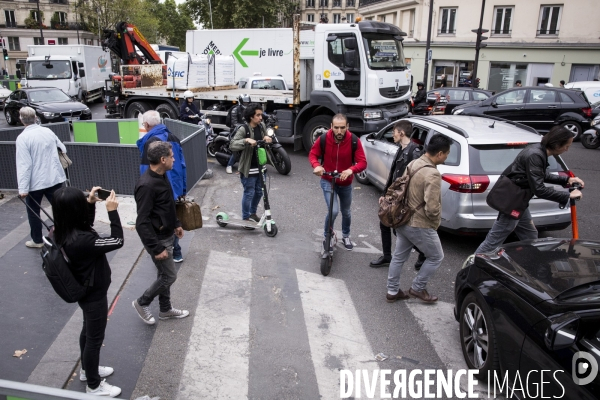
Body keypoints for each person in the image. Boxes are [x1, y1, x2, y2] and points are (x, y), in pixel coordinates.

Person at [52, 187, 123, 397]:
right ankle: (93, 385)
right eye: (82, 202)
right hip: (94, 294)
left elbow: (86, 225)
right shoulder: (82, 241)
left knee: (88, 332)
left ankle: (86, 370)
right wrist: (112, 211)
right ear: (75, 210)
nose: (86, 202)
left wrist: (91, 204)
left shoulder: (62, 230)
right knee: (94, 339)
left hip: (86, 290)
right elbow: (117, 241)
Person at [475, 127, 584, 254]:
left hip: (519, 199)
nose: (567, 149)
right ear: (556, 144)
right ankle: (472, 267)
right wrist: (567, 196)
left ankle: (532, 261)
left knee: (529, 235)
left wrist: (566, 180)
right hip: (512, 202)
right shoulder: (535, 155)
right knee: (494, 241)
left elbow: (539, 175)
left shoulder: (539, 151)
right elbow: (539, 189)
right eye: (566, 146)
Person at [386, 134, 452, 303]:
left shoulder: (414, 163)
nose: (446, 157)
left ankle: (392, 291)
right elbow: (432, 207)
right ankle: (418, 288)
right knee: (436, 256)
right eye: (446, 154)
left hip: (402, 218)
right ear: (439, 154)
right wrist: (435, 222)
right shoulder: (433, 174)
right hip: (419, 224)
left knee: (398, 257)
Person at [133, 141, 188, 325]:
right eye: (171, 157)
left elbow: (167, 206)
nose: (174, 159)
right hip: (158, 240)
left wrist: (176, 223)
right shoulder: (147, 186)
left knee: (163, 275)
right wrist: (156, 248)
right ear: (162, 159)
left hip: (167, 235)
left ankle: (165, 310)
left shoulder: (162, 175)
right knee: (170, 276)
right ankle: (142, 302)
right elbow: (141, 222)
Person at [370, 120, 426, 269]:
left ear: (401, 133)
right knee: (384, 222)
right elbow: (393, 174)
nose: (392, 135)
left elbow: (413, 179)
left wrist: (405, 200)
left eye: (394, 132)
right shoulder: (401, 148)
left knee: (399, 229)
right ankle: (387, 256)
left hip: (403, 198)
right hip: (394, 195)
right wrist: (385, 193)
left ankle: (424, 252)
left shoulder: (414, 152)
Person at [308, 114, 367, 250]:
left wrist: (351, 170)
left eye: (342, 128)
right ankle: (327, 236)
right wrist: (316, 165)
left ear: (347, 127)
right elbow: (313, 154)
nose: (339, 131)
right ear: (331, 127)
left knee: (346, 212)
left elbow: (363, 162)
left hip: (345, 183)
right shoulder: (323, 138)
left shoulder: (354, 140)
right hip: (328, 180)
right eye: (336, 128)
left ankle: (346, 236)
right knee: (333, 211)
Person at [137, 110, 187, 263]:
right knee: (172, 216)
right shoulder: (172, 137)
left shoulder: (150, 143)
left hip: (159, 188)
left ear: (146, 124)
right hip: (175, 186)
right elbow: (183, 165)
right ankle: (175, 251)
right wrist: (183, 188)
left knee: (160, 220)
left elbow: (147, 169)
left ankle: (164, 252)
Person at [16, 107, 67, 248]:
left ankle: (37, 240)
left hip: (35, 183)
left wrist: (23, 189)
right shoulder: (47, 131)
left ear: (21, 119)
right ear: (36, 117)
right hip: (54, 178)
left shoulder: (22, 138)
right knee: (59, 209)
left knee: (34, 212)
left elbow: (24, 165)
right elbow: (63, 149)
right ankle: (65, 235)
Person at [229, 103, 272, 225]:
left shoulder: (261, 126)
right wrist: (246, 140)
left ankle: (252, 214)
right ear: (251, 116)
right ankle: (246, 217)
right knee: (249, 193)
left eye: (261, 115)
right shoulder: (244, 129)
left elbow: (265, 137)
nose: (260, 117)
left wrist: (267, 138)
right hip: (249, 168)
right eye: (258, 115)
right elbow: (233, 144)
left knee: (259, 192)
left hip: (261, 167)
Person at [225, 94, 250, 174]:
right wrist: (244, 126)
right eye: (245, 103)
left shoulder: (250, 109)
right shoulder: (235, 110)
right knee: (237, 148)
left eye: (248, 102)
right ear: (241, 102)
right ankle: (229, 165)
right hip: (235, 131)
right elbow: (234, 123)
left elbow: (258, 115)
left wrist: (267, 117)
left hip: (246, 129)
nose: (246, 104)